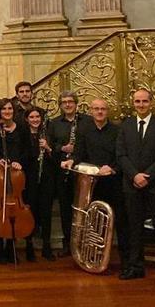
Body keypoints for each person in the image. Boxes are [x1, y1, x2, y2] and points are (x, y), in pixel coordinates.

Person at [115, 89, 155, 287]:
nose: (141, 105)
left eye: (144, 101)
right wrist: (135, 175)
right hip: (132, 184)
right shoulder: (125, 126)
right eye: (137, 101)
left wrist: (146, 176)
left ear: (151, 103)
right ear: (133, 103)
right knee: (134, 228)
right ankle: (136, 267)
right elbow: (121, 154)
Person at [62, 99, 129, 272]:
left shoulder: (117, 130)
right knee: (92, 221)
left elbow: (123, 155)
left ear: (108, 111)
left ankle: (126, 261)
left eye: (103, 109)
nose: (99, 112)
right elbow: (79, 152)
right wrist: (71, 161)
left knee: (120, 221)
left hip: (113, 182)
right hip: (93, 183)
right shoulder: (85, 130)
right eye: (96, 109)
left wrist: (112, 168)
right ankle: (91, 257)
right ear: (91, 111)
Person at [45, 90, 90, 256]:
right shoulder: (54, 123)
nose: (68, 104)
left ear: (76, 103)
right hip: (62, 170)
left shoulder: (86, 121)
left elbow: (90, 144)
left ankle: (84, 243)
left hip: (82, 170)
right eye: (64, 102)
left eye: (70, 101)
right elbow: (50, 146)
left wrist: (76, 152)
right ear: (60, 105)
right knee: (65, 208)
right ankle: (68, 243)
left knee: (83, 208)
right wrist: (62, 148)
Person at [0, 99, 31, 265]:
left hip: (17, 175)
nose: (7, 111)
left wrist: (19, 161)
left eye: (10, 108)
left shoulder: (22, 128)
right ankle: (0, 250)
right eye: (4, 109)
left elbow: (29, 150)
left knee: (15, 213)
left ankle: (11, 248)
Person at [24, 107, 57, 261]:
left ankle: (46, 246)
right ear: (27, 119)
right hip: (29, 179)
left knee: (46, 212)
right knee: (31, 212)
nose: (35, 119)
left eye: (38, 117)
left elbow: (56, 158)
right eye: (32, 117)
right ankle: (29, 245)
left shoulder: (48, 135)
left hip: (47, 178)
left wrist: (48, 148)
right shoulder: (23, 135)